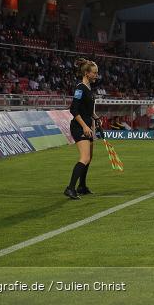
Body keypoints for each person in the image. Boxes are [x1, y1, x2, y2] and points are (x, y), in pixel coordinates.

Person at [64, 57, 100, 200]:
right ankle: (70, 188)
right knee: (84, 157)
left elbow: (88, 110)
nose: (96, 75)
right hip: (80, 127)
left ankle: (82, 186)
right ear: (86, 73)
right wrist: (85, 126)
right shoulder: (80, 88)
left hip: (87, 126)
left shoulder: (89, 88)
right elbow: (74, 109)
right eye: (94, 73)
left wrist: (96, 119)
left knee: (89, 158)